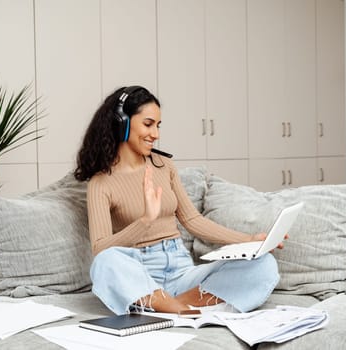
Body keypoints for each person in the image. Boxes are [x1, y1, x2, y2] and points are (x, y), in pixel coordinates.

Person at [74, 86, 283, 316]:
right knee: (105, 262)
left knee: (264, 265)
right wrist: (145, 220)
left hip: (182, 273)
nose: (155, 134)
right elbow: (101, 248)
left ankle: (169, 305)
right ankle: (177, 306)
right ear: (122, 122)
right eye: (148, 124)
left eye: (158, 125)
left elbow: (193, 220)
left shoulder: (164, 166)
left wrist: (250, 241)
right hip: (139, 273)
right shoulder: (101, 182)